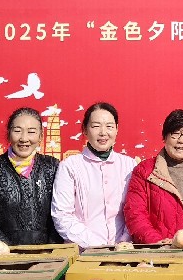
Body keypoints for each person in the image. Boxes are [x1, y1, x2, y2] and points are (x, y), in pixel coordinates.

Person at [0, 107, 59, 249]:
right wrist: (7, 250)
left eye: (31, 132)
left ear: (40, 136)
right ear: (8, 134)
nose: (24, 138)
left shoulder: (52, 167)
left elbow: (61, 214)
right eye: (17, 131)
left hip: (48, 255)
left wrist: (49, 250)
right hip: (4, 254)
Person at [51, 102, 135, 248]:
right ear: (85, 129)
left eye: (109, 126)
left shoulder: (130, 165)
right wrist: (98, 246)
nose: (103, 132)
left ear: (116, 129)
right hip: (84, 252)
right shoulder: (70, 166)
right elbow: (62, 215)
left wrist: (124, 241)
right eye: (96, 126)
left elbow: (136, 210)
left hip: (124, 250)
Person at [124, 109, 183, 243]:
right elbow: (135, 214)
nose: (182, 140)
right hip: (162, 250)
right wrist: (157, 243)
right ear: (165, 137)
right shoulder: (145, 171)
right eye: (176, 134)